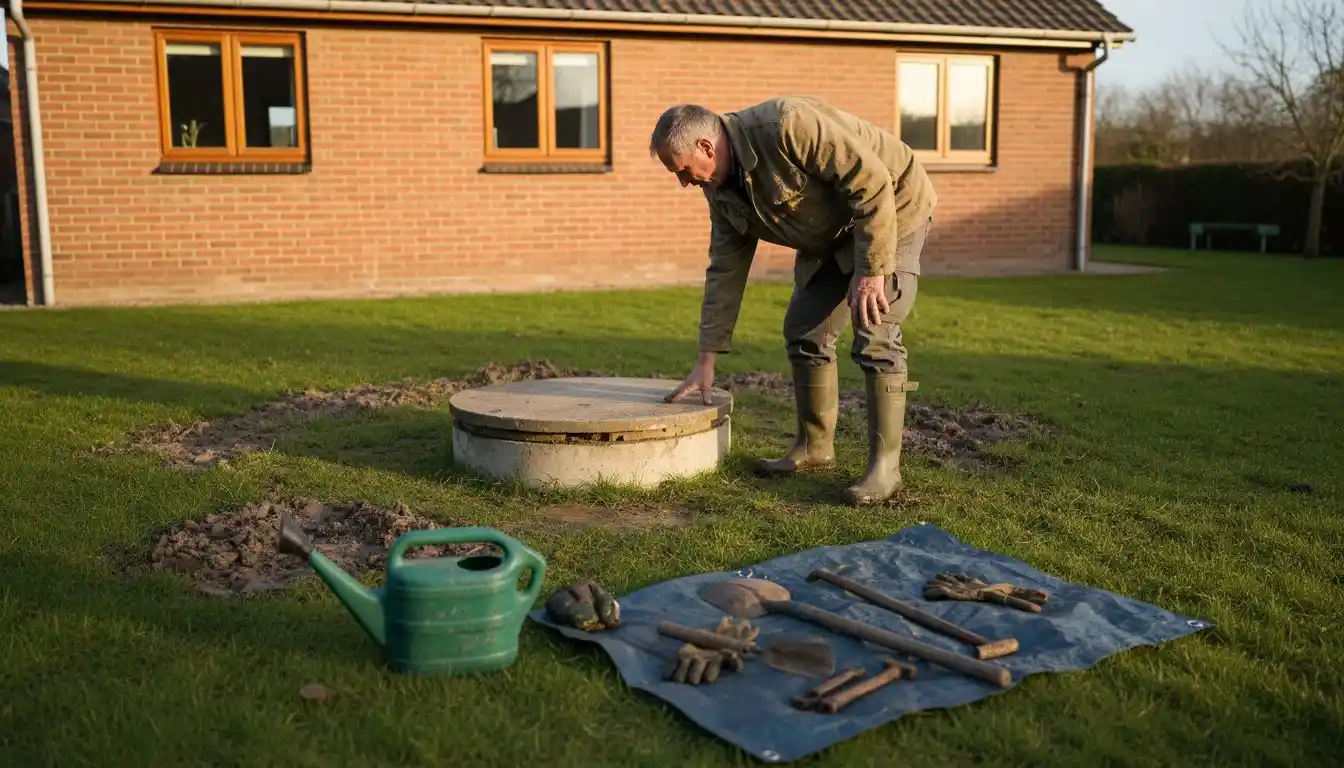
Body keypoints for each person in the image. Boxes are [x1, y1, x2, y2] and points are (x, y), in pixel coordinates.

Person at [650, 96, 937, 506]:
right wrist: (706, 357)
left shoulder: (787, 126)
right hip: (832, 232)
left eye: (681, 170)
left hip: (893, 206)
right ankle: (814, 449)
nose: (683, 182)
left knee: (875, 330)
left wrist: (871, 271)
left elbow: (871, 182)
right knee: (805, 330)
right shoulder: (720, 193)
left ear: (706, 148)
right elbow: (725, 272)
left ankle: (884, 470)